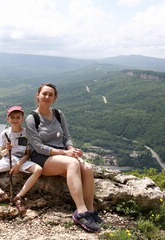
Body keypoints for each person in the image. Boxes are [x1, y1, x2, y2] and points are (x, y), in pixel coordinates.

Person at [25, 83, 104, 232]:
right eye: (44, 94)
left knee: (87, 167)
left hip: (62, 155)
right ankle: (80, 212)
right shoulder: (32, 118)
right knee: (73, 164)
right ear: (38, 95)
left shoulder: (58, 114)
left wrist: (72, 150)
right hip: (42, 158)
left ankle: (90, 211)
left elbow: (67, 137)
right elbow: (38, 147)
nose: (47, 97)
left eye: (51, 95)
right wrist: (65, 154)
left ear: (54, 98)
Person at [0, 106, 42, 213]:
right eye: (12, 117)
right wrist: (7, 149)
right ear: (8, 119)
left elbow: (27, 154)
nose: (15, 120)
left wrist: (18, 164)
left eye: (18, 117)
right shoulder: (5, 134)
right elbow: (2, 153)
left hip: (21, 161)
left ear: (22, 119)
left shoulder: (26, 134)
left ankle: (19, 196)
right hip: (8, 160)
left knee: (38, 169)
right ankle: (0, 193)